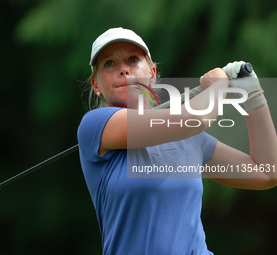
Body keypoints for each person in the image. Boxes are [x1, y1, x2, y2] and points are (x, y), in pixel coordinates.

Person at [77, 27, 277, 255]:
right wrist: (220, 85)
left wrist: (253, 96)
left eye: (133, 59)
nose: (123, 69)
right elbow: (197, 118)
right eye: (109, 64)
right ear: (95, 85)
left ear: (152, 73)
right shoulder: (96, 125)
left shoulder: (190, 139)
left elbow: (266, 172)